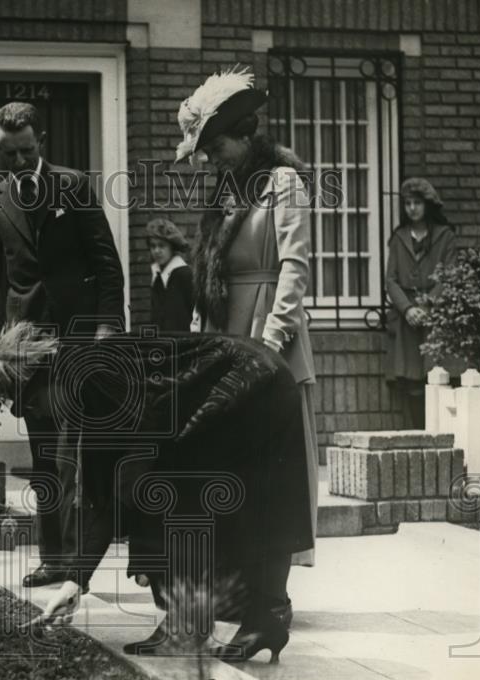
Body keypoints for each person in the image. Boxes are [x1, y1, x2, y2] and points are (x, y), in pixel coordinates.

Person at [0, 325, 313, 663]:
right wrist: (75, 581)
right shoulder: (85, 375)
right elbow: (105, 489)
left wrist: (77, 577)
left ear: (46, 379)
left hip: (248, 382)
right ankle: (260, 621)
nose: (37, 415)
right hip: (267, 374)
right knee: (255, 497)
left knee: (162, 491)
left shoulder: (91, 379)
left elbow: (125, 477)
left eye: (32, 404)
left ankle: (190, 624)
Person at [176, 66, 318, 627]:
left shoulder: (283, 183)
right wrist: (196, 337)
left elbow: (294, 268)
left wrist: (269, 345)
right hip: (224, 337)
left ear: (243, 135)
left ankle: (270, 595)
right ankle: (240, 590)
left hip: (265, 334)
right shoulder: (227, 190)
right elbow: (208, 271)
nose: (210, 158)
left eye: (214, 147)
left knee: (272, 470)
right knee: (229, 468)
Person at [0, 101, 125, 588]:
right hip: (27, 349)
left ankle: (82, 561)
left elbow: (106, 264)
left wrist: (106, 329)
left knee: (81, 450)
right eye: (8, 154)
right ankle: (54, 559)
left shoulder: (74, 186)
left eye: (26, 150)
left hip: (82, 340)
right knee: (44, 456)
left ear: (42, 142)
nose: (17, 161)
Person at [384, 178, 458, 429]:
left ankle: (441, 433)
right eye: (407, 204)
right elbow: (391, 280)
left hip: (436, 315)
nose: (412, 208)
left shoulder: (445, 237)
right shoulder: (398, 238)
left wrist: (427, 307)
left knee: (436, 373)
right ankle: (418, 433)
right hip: (407, 320)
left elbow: (449, 275)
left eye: (417, 203)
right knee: (412, 379)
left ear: (427, 205)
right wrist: (407, 309)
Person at [147, 217, 195, 332]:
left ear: (172, 247)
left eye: (161, 246)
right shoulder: (158, 276)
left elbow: (194, 314)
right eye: (153, 246)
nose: (157, 251)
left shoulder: (184, 274)